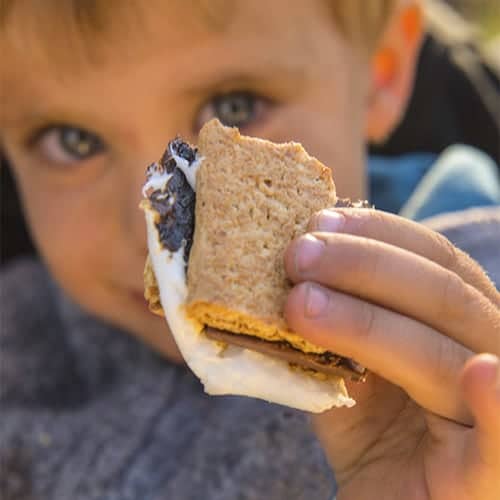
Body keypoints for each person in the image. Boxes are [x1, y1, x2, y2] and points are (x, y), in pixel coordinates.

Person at [1, 1, 499, 499]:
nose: (153, 235)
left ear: (380, 68)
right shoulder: (21, 358)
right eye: (74, 141)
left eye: (233, 107)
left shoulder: (462, 398)